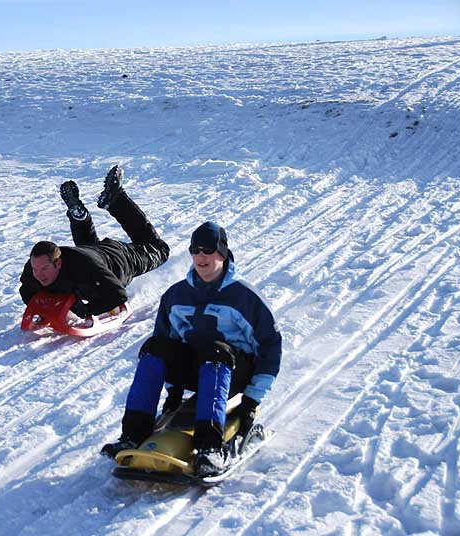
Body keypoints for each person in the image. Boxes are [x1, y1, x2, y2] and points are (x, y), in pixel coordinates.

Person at [100, 222, 282, 478]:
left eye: (208, 250)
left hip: (234, 371)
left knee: (216, 350)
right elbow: (167, 338)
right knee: (154, 347)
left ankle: (210, 447)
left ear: (222, 253)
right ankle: (132, 435)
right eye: (195, 250)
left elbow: (270, 347)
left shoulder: (244, 297)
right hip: (198, 367)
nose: (201, 257)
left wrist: (251, 401)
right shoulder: (176, 295)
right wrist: (173, 391)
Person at [19, 165, 170, 319]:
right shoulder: (33, 270)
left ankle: (117, 200)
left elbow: (118, 296)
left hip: (120, 259)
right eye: (35, 269)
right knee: (86, 257)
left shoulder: (89, 270)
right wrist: (46, 308)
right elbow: (26, 292)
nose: (38, 275)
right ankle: (80, 217)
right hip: (89, 252)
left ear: (58, 263)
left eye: (44, 269)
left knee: (161, 250)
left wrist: (86, 310)